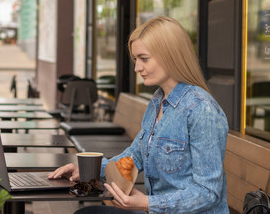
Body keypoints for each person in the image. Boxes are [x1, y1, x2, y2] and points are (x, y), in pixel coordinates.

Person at [48, 16, 229, 213]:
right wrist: (85, 170)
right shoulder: (158, 101)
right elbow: (134, 158)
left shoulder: (201, 109)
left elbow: (209, 192)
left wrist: (147, 203)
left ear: (171, 55)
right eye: (135, 59)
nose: (137, 68)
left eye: (144, 59)